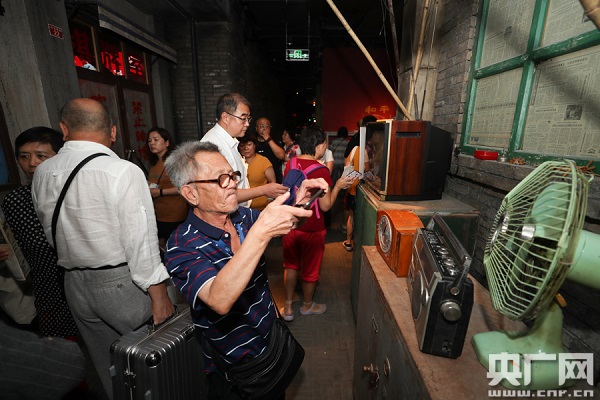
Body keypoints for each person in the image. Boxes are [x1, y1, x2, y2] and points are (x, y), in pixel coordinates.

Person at [31, 98, 175, 399]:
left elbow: (49, 230)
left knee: (109, 367)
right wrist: (159, 293)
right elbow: (140, 239)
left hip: (73, 284)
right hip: (123, 284)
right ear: (112, 132)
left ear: (63, 129)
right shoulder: (122, 171)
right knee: (155, 364)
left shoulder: (42, 172)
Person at [163, 141, 328, 399]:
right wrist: (261, 233)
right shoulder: (181, 245)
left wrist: (300, 201)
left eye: (232, 175)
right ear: (191, 193)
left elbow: (283, 222)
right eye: (221, 179)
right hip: (235, 370)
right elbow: (219, 299)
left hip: (271, 341)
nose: (232, 184)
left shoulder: (242, 217)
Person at [1, 126, 79, 338]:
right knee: (63, 347)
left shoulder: (78, 191)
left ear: (60, 157)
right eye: (24, 156)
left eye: (41, 156)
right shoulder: (15, 201)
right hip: (48, 290)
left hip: (86, 286)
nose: (32, 163)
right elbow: (16, 246)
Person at [281, 126, 355, 321]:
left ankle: (287, 308)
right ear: (319, 145)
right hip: (312, 227)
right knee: (310, 268)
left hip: (290, 223)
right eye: (324, 144)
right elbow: (325, 206)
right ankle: (307, 305)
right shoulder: (321, 170)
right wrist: (338, 186)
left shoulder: (291, 163)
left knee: (290, 265)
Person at [201, 93, 287, 207]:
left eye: (248, 119)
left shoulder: (230, 141)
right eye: (243, 118)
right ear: (226, 117)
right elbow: (223, 195)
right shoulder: (213, 146)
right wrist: (263, 190)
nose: (247, 124)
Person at [146, 127, 188, 249]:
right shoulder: (155, 163)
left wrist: (160, 192)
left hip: (174, 214)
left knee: (173, 247)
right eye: (149, 141)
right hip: (159, 213)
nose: (152, 143)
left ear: (167, 143)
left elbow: (183, 186)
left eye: (156, 139)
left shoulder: (174, 162)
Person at [343, 125, 374, 252]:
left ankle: (348, 241)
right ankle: (360, 243)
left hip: (351, 187)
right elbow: (366, 169)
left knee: (351, 215)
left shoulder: (354, 149)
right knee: (359, 217)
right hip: (360, 188)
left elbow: (346, 164)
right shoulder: (364, 151)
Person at [238, 135, 276, 211]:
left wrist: (270, 200)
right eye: (242, 145)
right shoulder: (236, 161)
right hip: (241, 208)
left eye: (249, 145)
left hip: (261, 208)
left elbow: (272, 182)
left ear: (254, 145)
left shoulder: (264, 161)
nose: (246, 148)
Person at [254, 117, 285, 183]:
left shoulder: (275, 141)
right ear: (256, 129)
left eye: (267, 126)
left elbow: (281, 156)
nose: (264, 129)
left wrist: (268, 139)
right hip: (258, 182)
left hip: (275, 180)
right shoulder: (253, 143)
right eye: (261, 126)